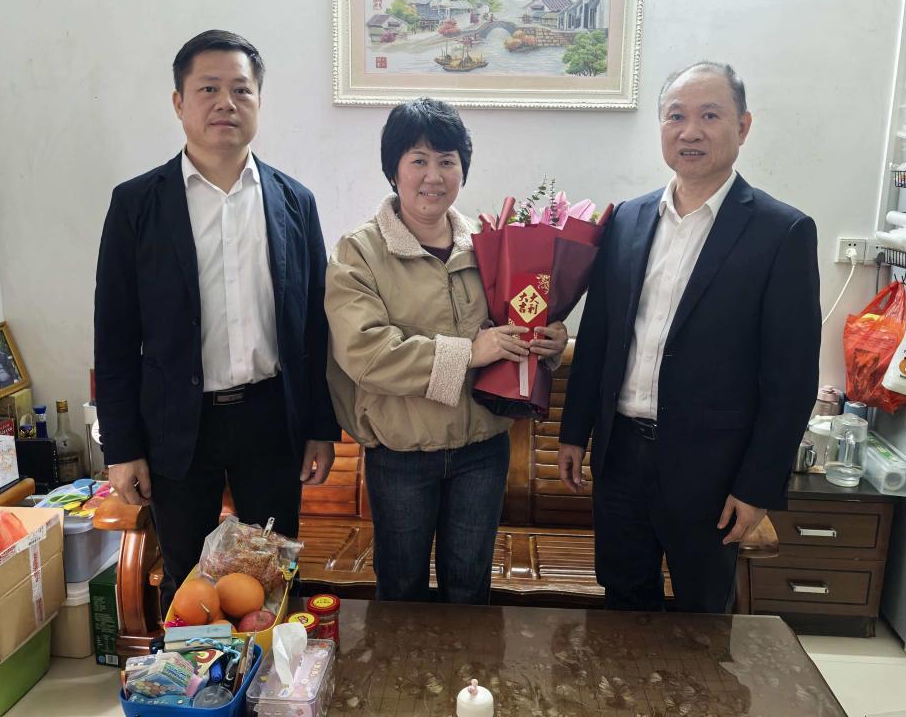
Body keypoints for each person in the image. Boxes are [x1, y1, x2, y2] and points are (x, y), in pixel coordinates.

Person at [557, 62, 821, 613]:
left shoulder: (782, 232)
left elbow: (791, 379)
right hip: (621, 456)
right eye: (676, 116)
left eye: (710, 116)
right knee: (623, 603)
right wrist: (574, 432)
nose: (690, 131)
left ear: (743, 127)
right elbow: (599, 336)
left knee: (704, 620)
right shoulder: (627, 220)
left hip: (712, 469)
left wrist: (757, 486)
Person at [94, 30, 339, 611]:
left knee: (271, 582)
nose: (225, 103)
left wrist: (320, 427)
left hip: (270, 421)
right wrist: (122, 447)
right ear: (179, 101)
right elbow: (115, 336)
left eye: (240, 89)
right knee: (188, 583)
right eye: (208, 89)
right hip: (178, 424)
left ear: (258, 101)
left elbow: (314, 327)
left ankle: (273, 672)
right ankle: (196, 673)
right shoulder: (136, 205)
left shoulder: (295, 202)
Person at [325, 98, 568, 604]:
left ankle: (469, 664)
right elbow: (366, 352)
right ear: (393, 169)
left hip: (482, 451)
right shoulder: (359, 251)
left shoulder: (492, 244)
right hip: (402, 455)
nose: (433, 176)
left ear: (462, 169)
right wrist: (469, 353)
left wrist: (547, 340)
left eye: (447, 160)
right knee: (401, 590)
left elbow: (513, 325)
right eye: (418, 160)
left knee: (470, 588)